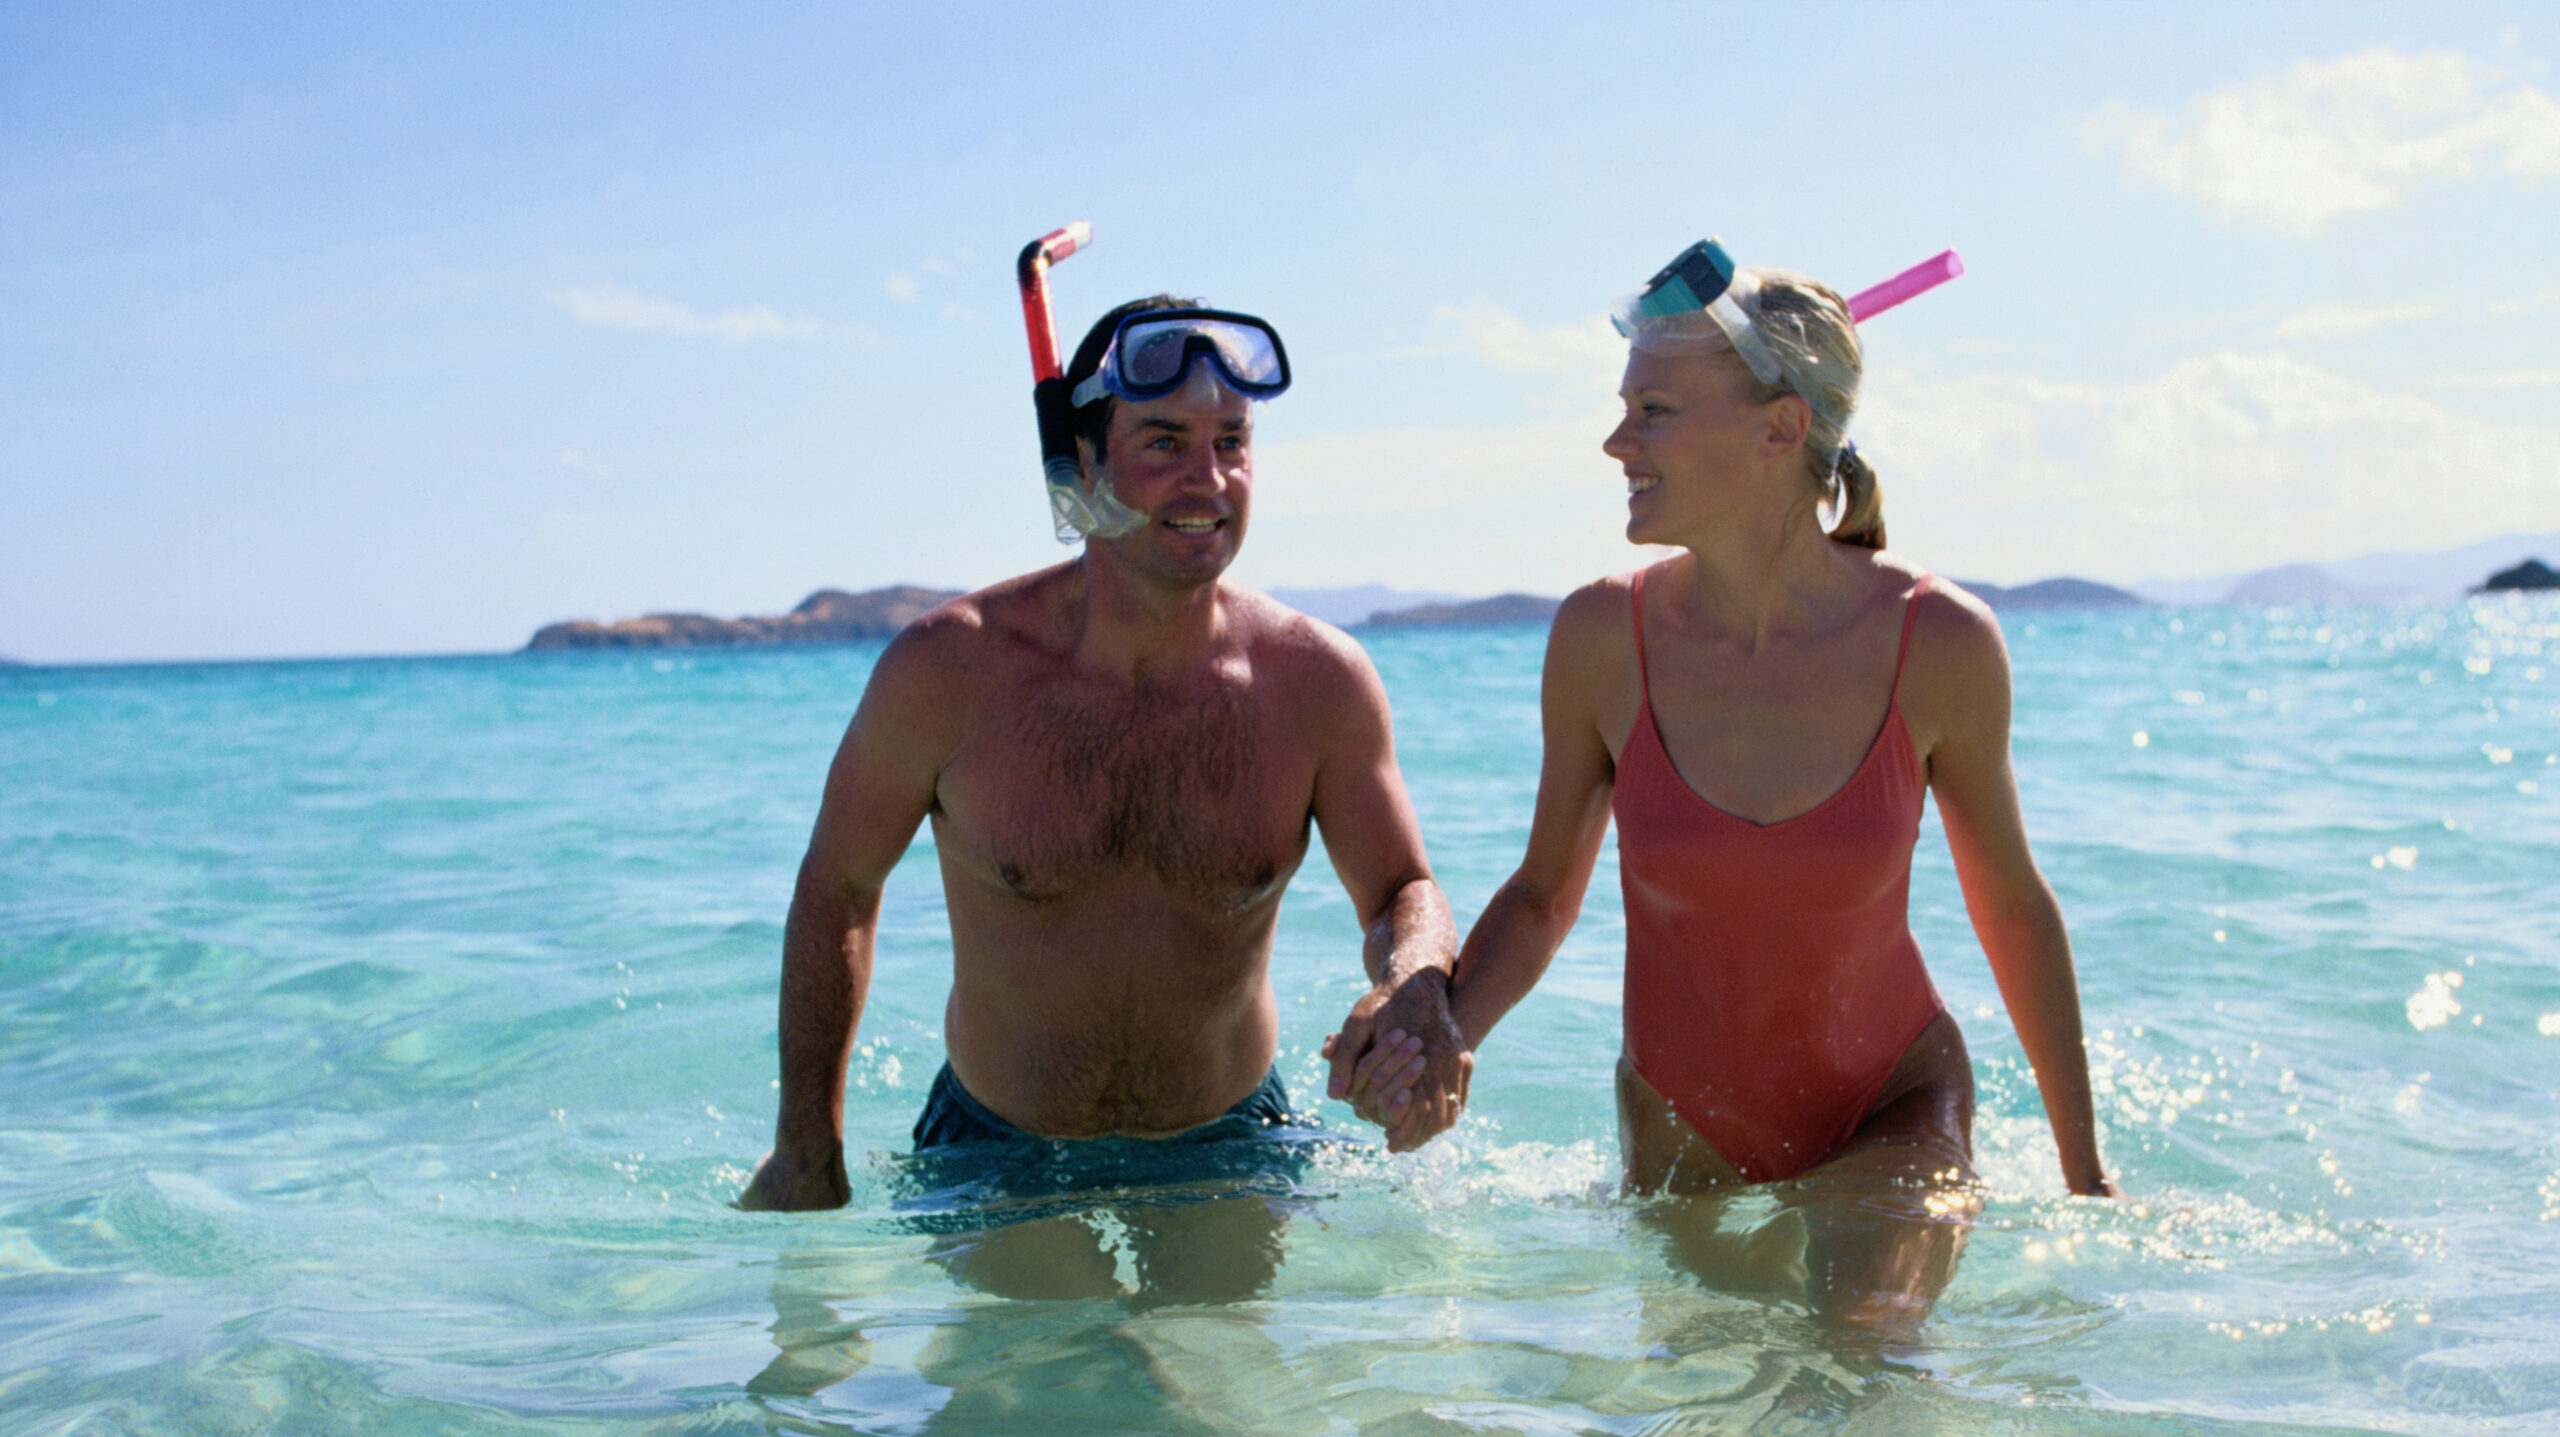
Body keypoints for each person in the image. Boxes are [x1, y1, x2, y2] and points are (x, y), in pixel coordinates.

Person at [1343, 240, 2115, 1324]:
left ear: (1779, 429)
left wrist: (2084, 1172)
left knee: (1860, 1368)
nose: (1615, 441)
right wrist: (1446, 1036)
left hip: (1889, 1103)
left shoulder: (1937, 640)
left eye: (1653, 409)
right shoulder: (1602, 637)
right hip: (1679, 1130)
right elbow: (1541, 897)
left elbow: (2013, 909)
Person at [740, 296, 1472, 1227]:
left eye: (1233, 441)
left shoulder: (1316, 681)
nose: (1209, 478)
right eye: (1164, 442)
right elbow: (838, 886)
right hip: (997, 1146)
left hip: (1231, 1137)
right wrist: (807, 1145)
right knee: (1050, 1375)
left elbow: (1402, 887)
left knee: (1221, 1377)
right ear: (1080, 464)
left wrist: (1415, 985)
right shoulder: (949, 670)